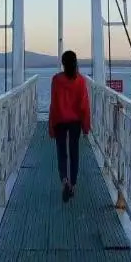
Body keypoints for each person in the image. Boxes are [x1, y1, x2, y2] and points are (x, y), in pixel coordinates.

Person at [48, 50, 91, 203]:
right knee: (74, 153)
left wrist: (51, 125)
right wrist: (86, 126)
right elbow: (84, 106)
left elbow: (53, 105)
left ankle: (64, 180)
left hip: (60, 120)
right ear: (75, 62)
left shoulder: (56, 80)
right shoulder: (80, 81)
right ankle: (73, 184)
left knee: (61, 152)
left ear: (63, 63)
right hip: (75, 122)